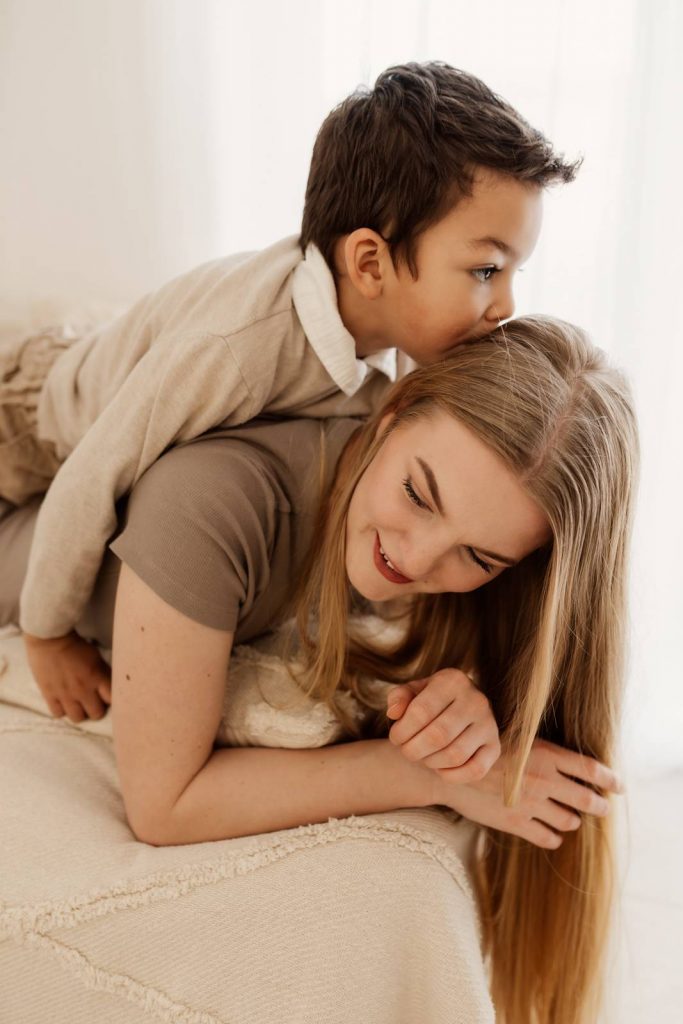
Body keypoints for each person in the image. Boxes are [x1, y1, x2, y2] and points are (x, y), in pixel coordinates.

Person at [0, 315, 638, 1024]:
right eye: (418, 496)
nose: (419, 559)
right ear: (391, 411)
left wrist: (461, 701)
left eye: (478, 559)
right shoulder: (214, 500)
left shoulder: (431, 540)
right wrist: (429, 771)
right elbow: (164, 806)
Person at [0, 60, 579, 722]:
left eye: (512, 273)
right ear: (369, 263)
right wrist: (49, 635)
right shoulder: (232, 352)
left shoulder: (392, 335)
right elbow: (91, 473)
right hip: (31, 419)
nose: (505, 305)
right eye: (484, 270)